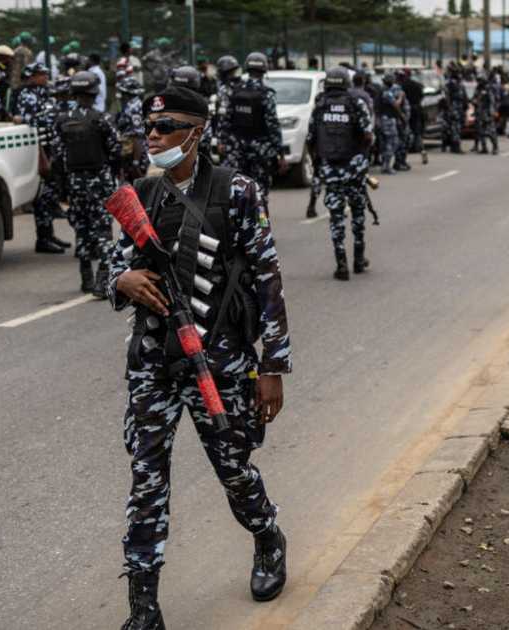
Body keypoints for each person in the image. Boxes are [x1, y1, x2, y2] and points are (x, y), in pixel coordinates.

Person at [107, 84, 292, 628]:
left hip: (220, 361)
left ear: (197, 132)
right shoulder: (138, 192)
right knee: (147, 481)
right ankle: (144, 607)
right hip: (152, 361)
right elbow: (109, 266)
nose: (154, 137)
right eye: (150, 127)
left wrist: (273, 367)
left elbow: (267, 277)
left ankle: (267, 537)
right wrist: (124, 278)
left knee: (233, 469)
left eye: (166, 128)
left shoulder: (236, 190)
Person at [52, 71, 121, 296]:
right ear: (94, 93)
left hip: (75, 183)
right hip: (100, 182)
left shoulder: (62, 121)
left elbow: (58, 157)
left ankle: (86, 279)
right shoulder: (102, 119)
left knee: (82, 230)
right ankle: (102, 281)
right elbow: (116, 150)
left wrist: (63, 189)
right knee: (102, 231)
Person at [307, 68, 375, 280]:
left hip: (331, 168)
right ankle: (358, 259)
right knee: (357, 213)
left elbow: (310, 139)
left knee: (336, 217)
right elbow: (368, 135)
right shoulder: (356, 103)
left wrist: (319, 162)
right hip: (354, 168)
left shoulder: (320, 105)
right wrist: (362, 157)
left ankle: (341, 264)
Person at [13, 61, 71, 254]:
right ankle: (43, 239)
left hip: (50, 147)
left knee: (49, 194)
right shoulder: (27, 96)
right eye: (41, 74)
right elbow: (34, 123)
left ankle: (49, 234)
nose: (45, 77)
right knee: (43, 196)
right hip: (40, 149)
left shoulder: (44, 93)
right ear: (32, 76)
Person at [218, 52, 285, 206]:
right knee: (260, 192)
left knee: (236, 188)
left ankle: (237, 222)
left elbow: (225, 118)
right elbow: (273, 125)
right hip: (260, 150)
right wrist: (280, 153)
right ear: (264, 70)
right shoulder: (267, 94)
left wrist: (222, 141)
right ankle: (260, 225)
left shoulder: (233, 90)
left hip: (236, 149)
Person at [169, 66, 213, 156]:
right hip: (195, 150)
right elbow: (206, 136)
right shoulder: (202, 103)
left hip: (175, 152)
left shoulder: (169, 103)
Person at [115, 76, 149, 183]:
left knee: (136, 187)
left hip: (136, 154)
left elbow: (138, 136)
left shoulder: (134, 108)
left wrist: (136, 161)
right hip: (130, 153)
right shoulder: (130, 105)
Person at [470, 75, 499, 155]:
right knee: (480, 131)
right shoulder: (478, 88)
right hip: (479, 113)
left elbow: (492, 101)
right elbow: (473, 98)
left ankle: (495, 147)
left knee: (491, 132)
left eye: (480, 80)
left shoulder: (488, 89)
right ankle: (484, 148)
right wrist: (474, 101)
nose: (478, 82)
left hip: (487, 114)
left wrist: (492, 112)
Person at [400, 69, 426, 156]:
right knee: (416, 130)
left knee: (406, 129)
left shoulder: (402, 86)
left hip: (406, 110)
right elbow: (422, 96)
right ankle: (420, 148)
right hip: (417, 108)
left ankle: (407, 148)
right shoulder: (417, 85)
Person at [441, 64, 465, 153]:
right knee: (455, 128)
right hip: (453, 109)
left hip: (455, 108)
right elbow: (447, 97)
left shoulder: (456, 83)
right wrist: (450, 107)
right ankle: (455, 147)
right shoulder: (451, 84)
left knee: (451, 128)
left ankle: (449, 145)